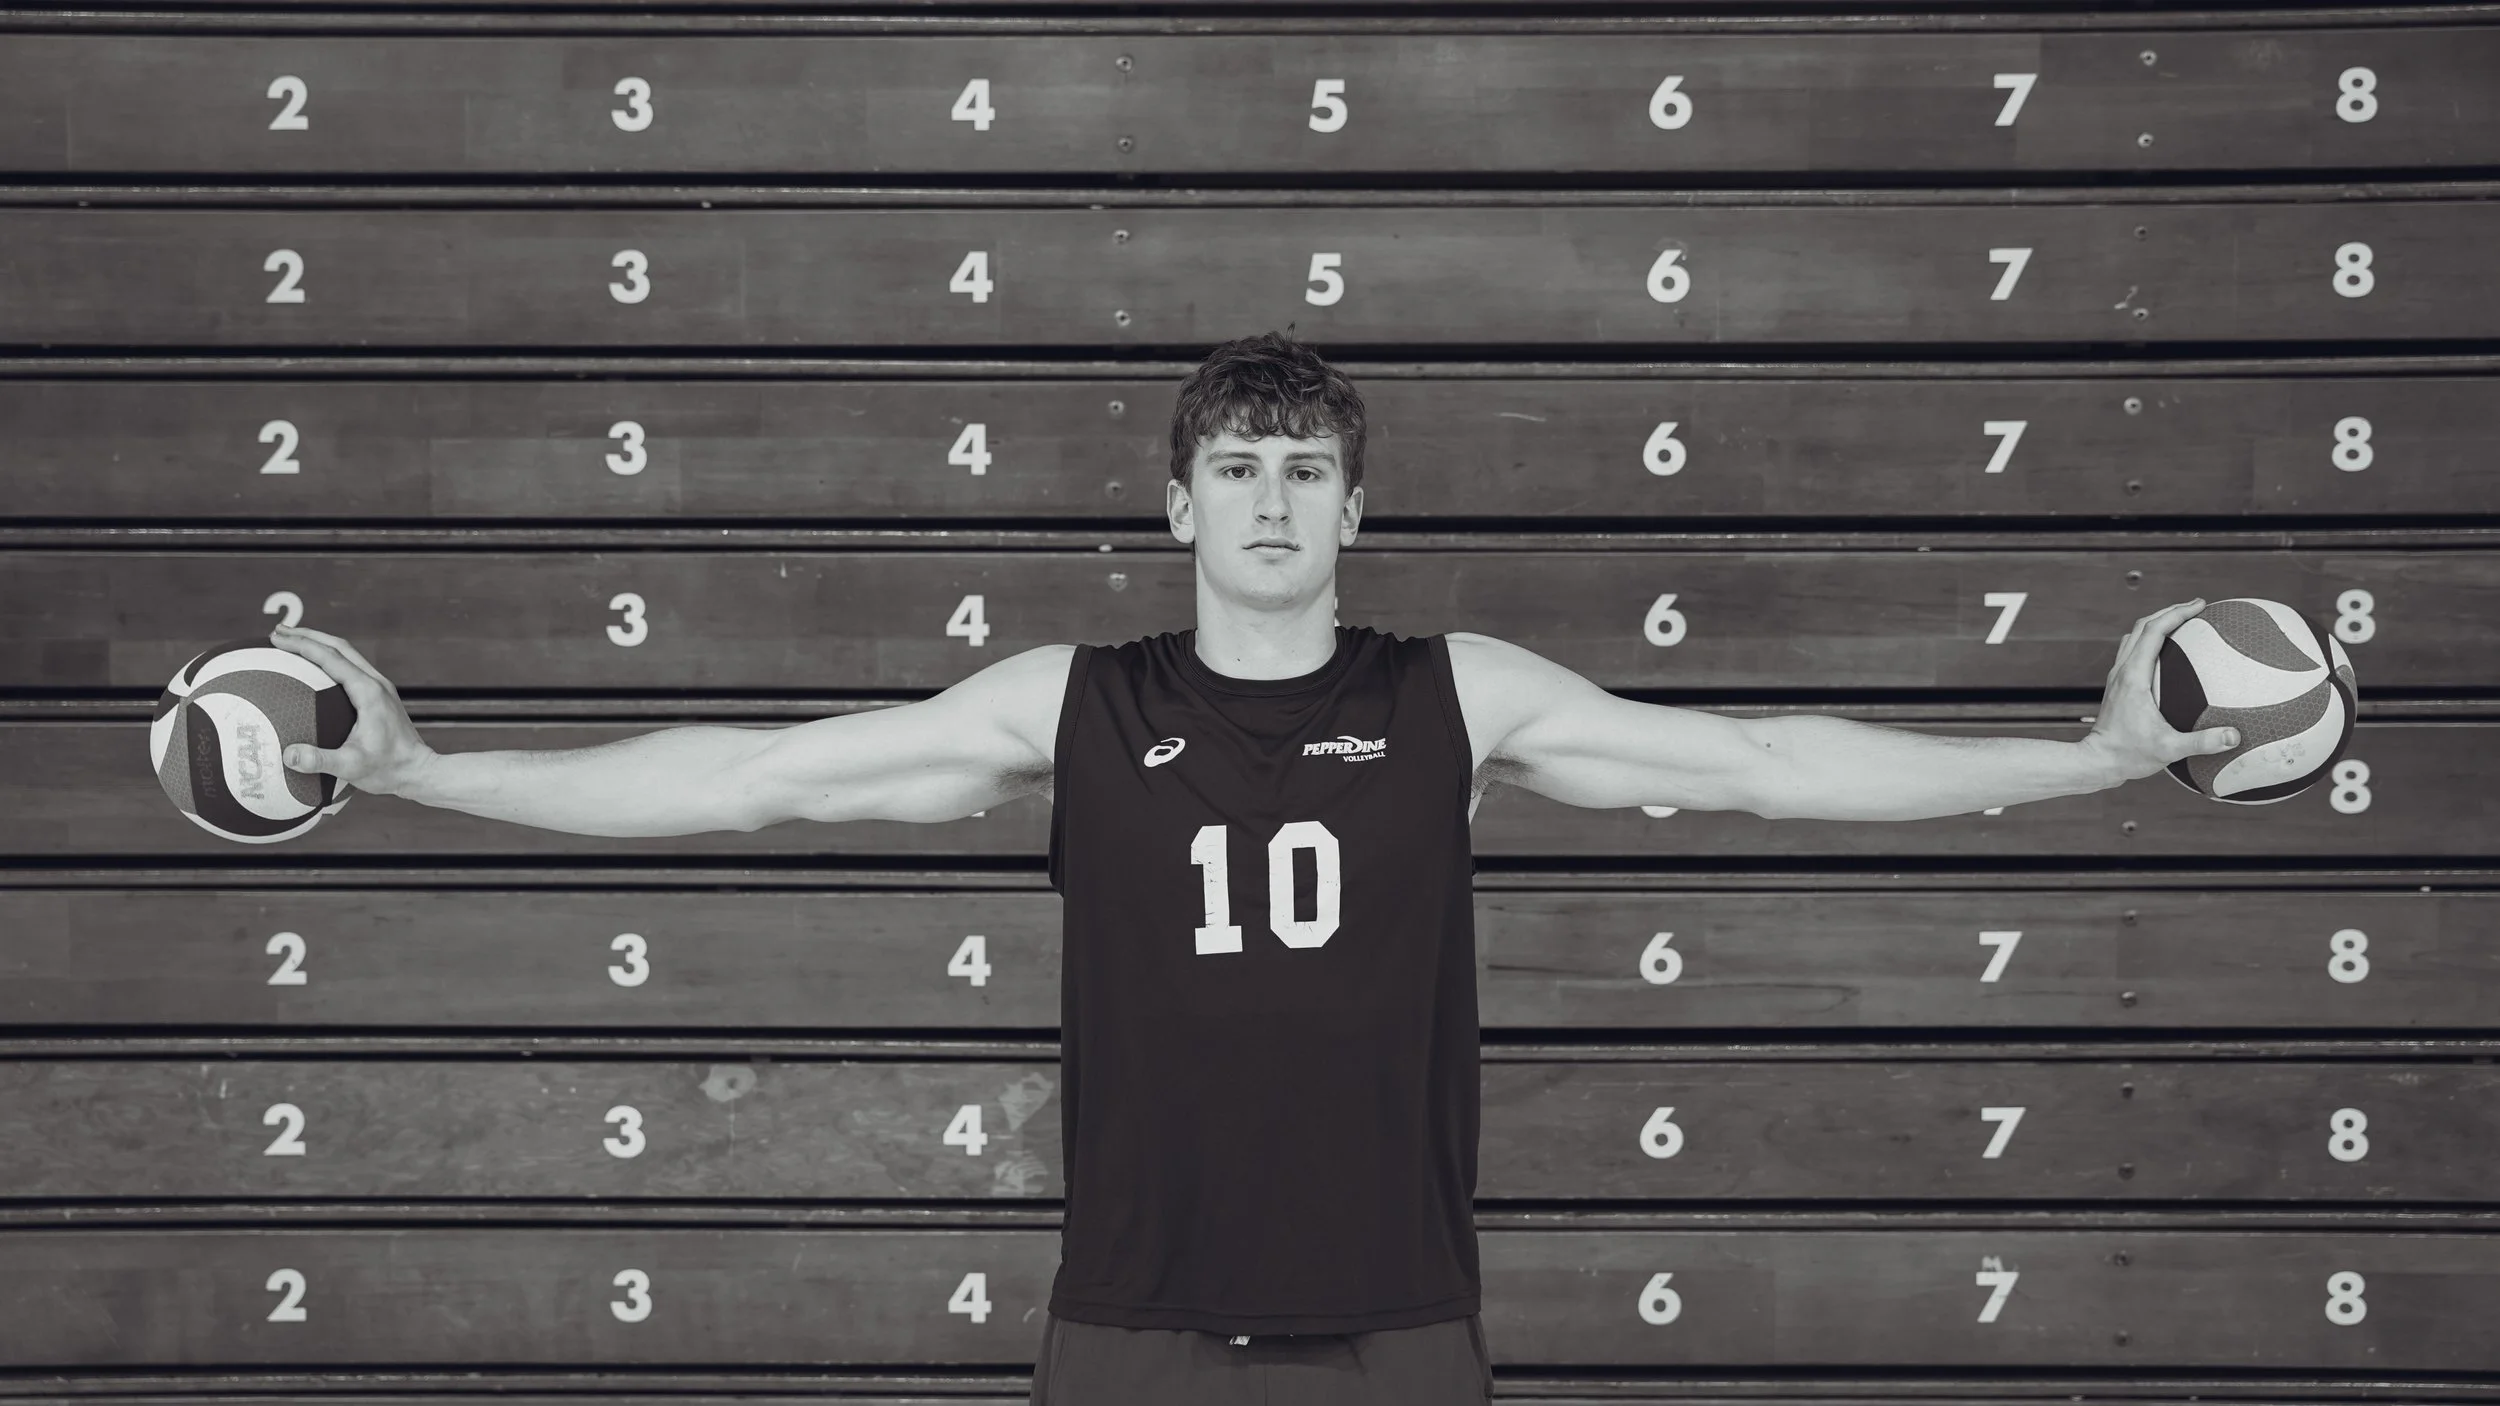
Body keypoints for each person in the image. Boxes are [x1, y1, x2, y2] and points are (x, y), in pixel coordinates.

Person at [270, 330, 2240, 1405]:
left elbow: (1767, 765)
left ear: (1354, 508)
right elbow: (748, 782)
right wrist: (432, 774)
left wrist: (2084, 761)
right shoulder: (1072, 702)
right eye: (1238, 467)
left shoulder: (1459, 692)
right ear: (1177, 505)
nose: (1272, 499)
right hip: (1134, 1324)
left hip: (1394, 1324)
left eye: (1305, 470)